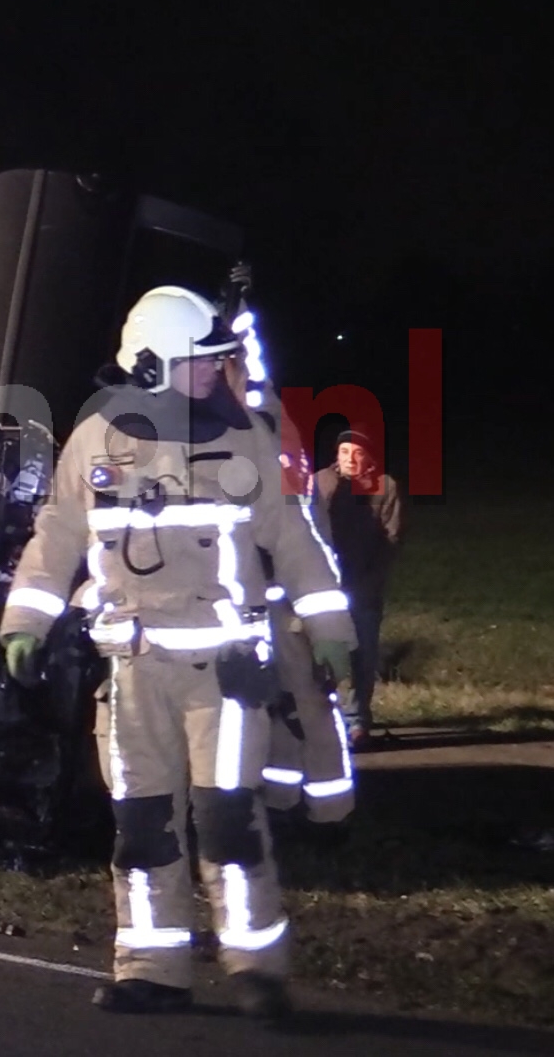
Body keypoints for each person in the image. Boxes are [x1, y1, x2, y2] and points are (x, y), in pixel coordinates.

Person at [0, 285, 355, 1022]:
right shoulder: (97, 437)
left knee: (228, 818)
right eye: (203, 360)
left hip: (224, 672)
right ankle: (152, 968)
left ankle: (257, 965)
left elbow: (295, 541)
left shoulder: (247, 436)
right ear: (154, 363)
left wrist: (331, 633)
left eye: (222, 359)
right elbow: (58, 535)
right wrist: (22, 622)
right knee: (142, 824)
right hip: (130, 673)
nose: (216, 372)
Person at [221, 314, 356, 827]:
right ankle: (279, 799)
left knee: (309, 704)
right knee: (266, 705)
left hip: (286, 596)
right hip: (247, 599)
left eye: (227, 362)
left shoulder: (268, 428)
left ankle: (331, 811)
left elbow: (298, 534)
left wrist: (323, 626)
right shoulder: (218, 430)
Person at [313, 429, 403, 747]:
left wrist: (372, 578)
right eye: (343, 452)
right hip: (324, 586)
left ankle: (357, 721)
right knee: (323, 655)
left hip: (363, 586)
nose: (349, 459)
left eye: (356, 453)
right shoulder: (320, 483)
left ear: (369, 457)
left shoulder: (385, 486)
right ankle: (322, 718)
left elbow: (391, 538)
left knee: (362, 655)